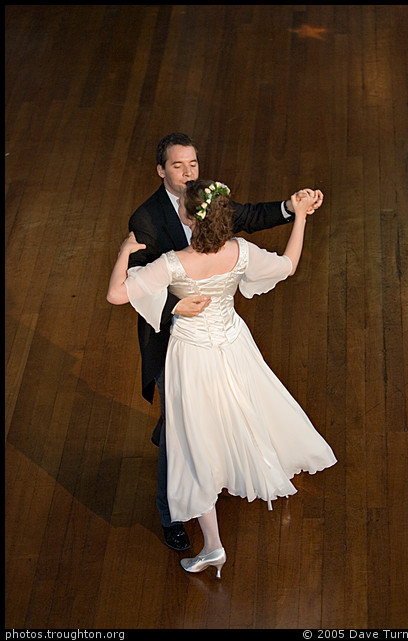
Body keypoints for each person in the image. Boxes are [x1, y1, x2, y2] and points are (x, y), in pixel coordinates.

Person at [107, 179, 337, 578]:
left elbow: (116, 295)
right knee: (247, 412)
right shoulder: (240, 252)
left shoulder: (174, 263)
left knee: (195, 441)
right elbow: (288, 265)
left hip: (191, 358)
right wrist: (299, 217)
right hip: (233, 347)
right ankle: (241, 492)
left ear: (189, 219)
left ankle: (213, 545)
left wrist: (125, 252)